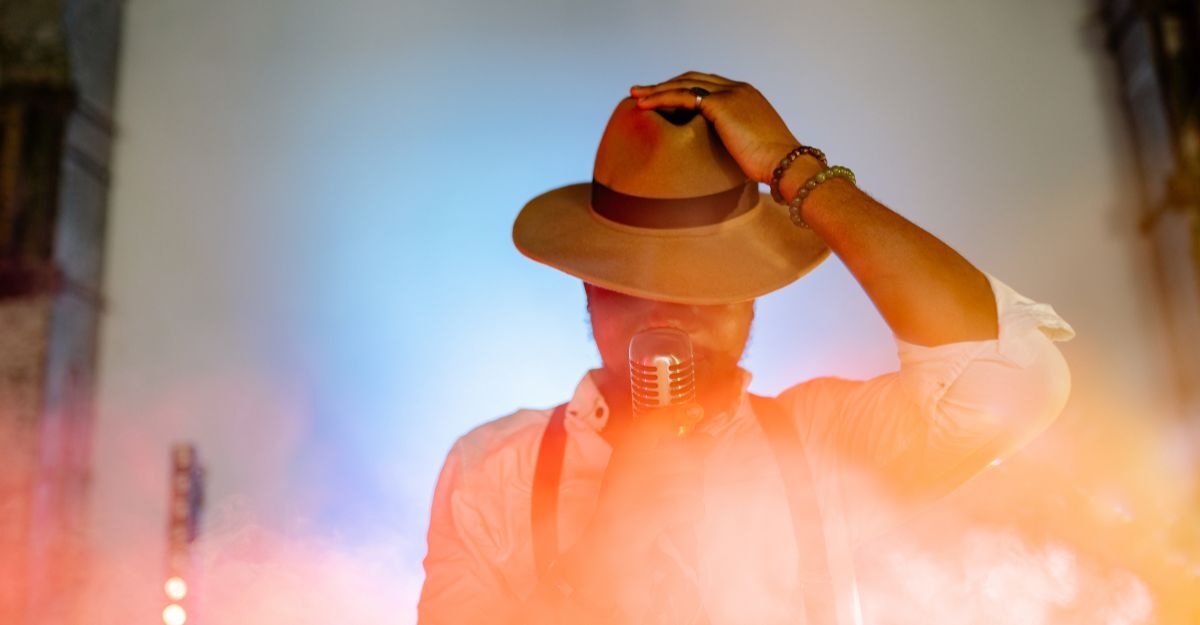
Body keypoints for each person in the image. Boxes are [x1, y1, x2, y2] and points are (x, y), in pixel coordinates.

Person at [416, 71, 1074, 625]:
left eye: (704, 281)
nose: (670, 311)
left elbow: (1011, 383)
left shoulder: (824, 443)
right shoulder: (493, 471)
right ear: (590, 286)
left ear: (751, 290)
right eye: (636, 280)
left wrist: (801, 172)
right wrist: (600, 550)